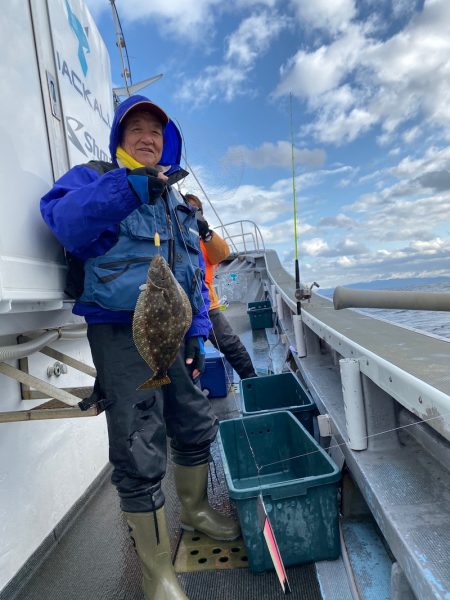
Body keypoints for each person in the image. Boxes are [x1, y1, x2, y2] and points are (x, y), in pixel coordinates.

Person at [40, 95, 239, 600]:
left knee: (195, 417)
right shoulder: (95, 177)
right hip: (120, 331)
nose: (147, 137)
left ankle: (193, 510)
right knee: (137, 439)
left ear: (165, 142)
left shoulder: (176, 202)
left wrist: (196, 332)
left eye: (156, 130)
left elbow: (192, 273)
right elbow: (64, 219)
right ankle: (156, 570)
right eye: (136, 129)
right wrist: (124, 191)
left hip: (173, 331)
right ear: (120, 138)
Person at [184, 194, 257, 381]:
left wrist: (205, 231)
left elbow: (222, 253)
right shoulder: (172, 235)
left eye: (196, 210)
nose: (191, 213)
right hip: (180, 309)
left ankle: (252, 380)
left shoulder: (203, 239)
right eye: (186, 208)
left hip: (207, 305)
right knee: (187, 358)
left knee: (231, 345)